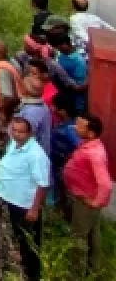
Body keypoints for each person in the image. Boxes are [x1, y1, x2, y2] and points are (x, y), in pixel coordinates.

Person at [0, 116, 50, 281]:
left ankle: (32, 274)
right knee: (19, 233)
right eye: (14, 130)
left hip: (25, 205)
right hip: (13, 199)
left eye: (21, 132)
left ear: (30, 133)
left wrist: (34, 209)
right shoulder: (14, 142)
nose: (16, 134)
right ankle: (23, 260)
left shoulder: (36, 155)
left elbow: (43, 183)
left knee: (30, 240)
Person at [62, 113, 111, 273]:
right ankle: (93, 267)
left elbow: (105, 183)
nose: (75, 128)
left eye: (79, 126)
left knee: (79, 236)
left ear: (90, 133)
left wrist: (96, 202)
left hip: (86, 201)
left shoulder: (94, 154)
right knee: (92, 232)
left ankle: (77, 270)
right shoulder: (90, 145)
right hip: (85, 198)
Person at [0, 39, 24, 139]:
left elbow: (7, 95)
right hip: (16, 102)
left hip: (6, 107)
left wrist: (3, 112)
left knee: (6, 129)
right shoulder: (12, 63)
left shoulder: (2, 70)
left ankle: (3, 143)